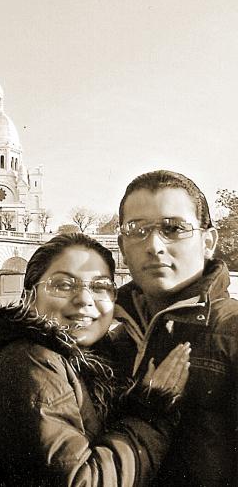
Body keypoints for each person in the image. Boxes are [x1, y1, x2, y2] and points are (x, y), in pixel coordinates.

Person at [0, 233, 190, 487]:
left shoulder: (70, 362)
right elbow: (81, 482)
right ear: (30, 297)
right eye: (64, 285)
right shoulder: (31, 364)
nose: (85, 300)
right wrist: (150, 413)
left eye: (100, 287)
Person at [113, 170, 238, 486]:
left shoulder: (233, 333)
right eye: (137, 229)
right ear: (122, 247)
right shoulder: (107, 340)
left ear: (208, 242)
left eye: (174, 228)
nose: (154, 245)